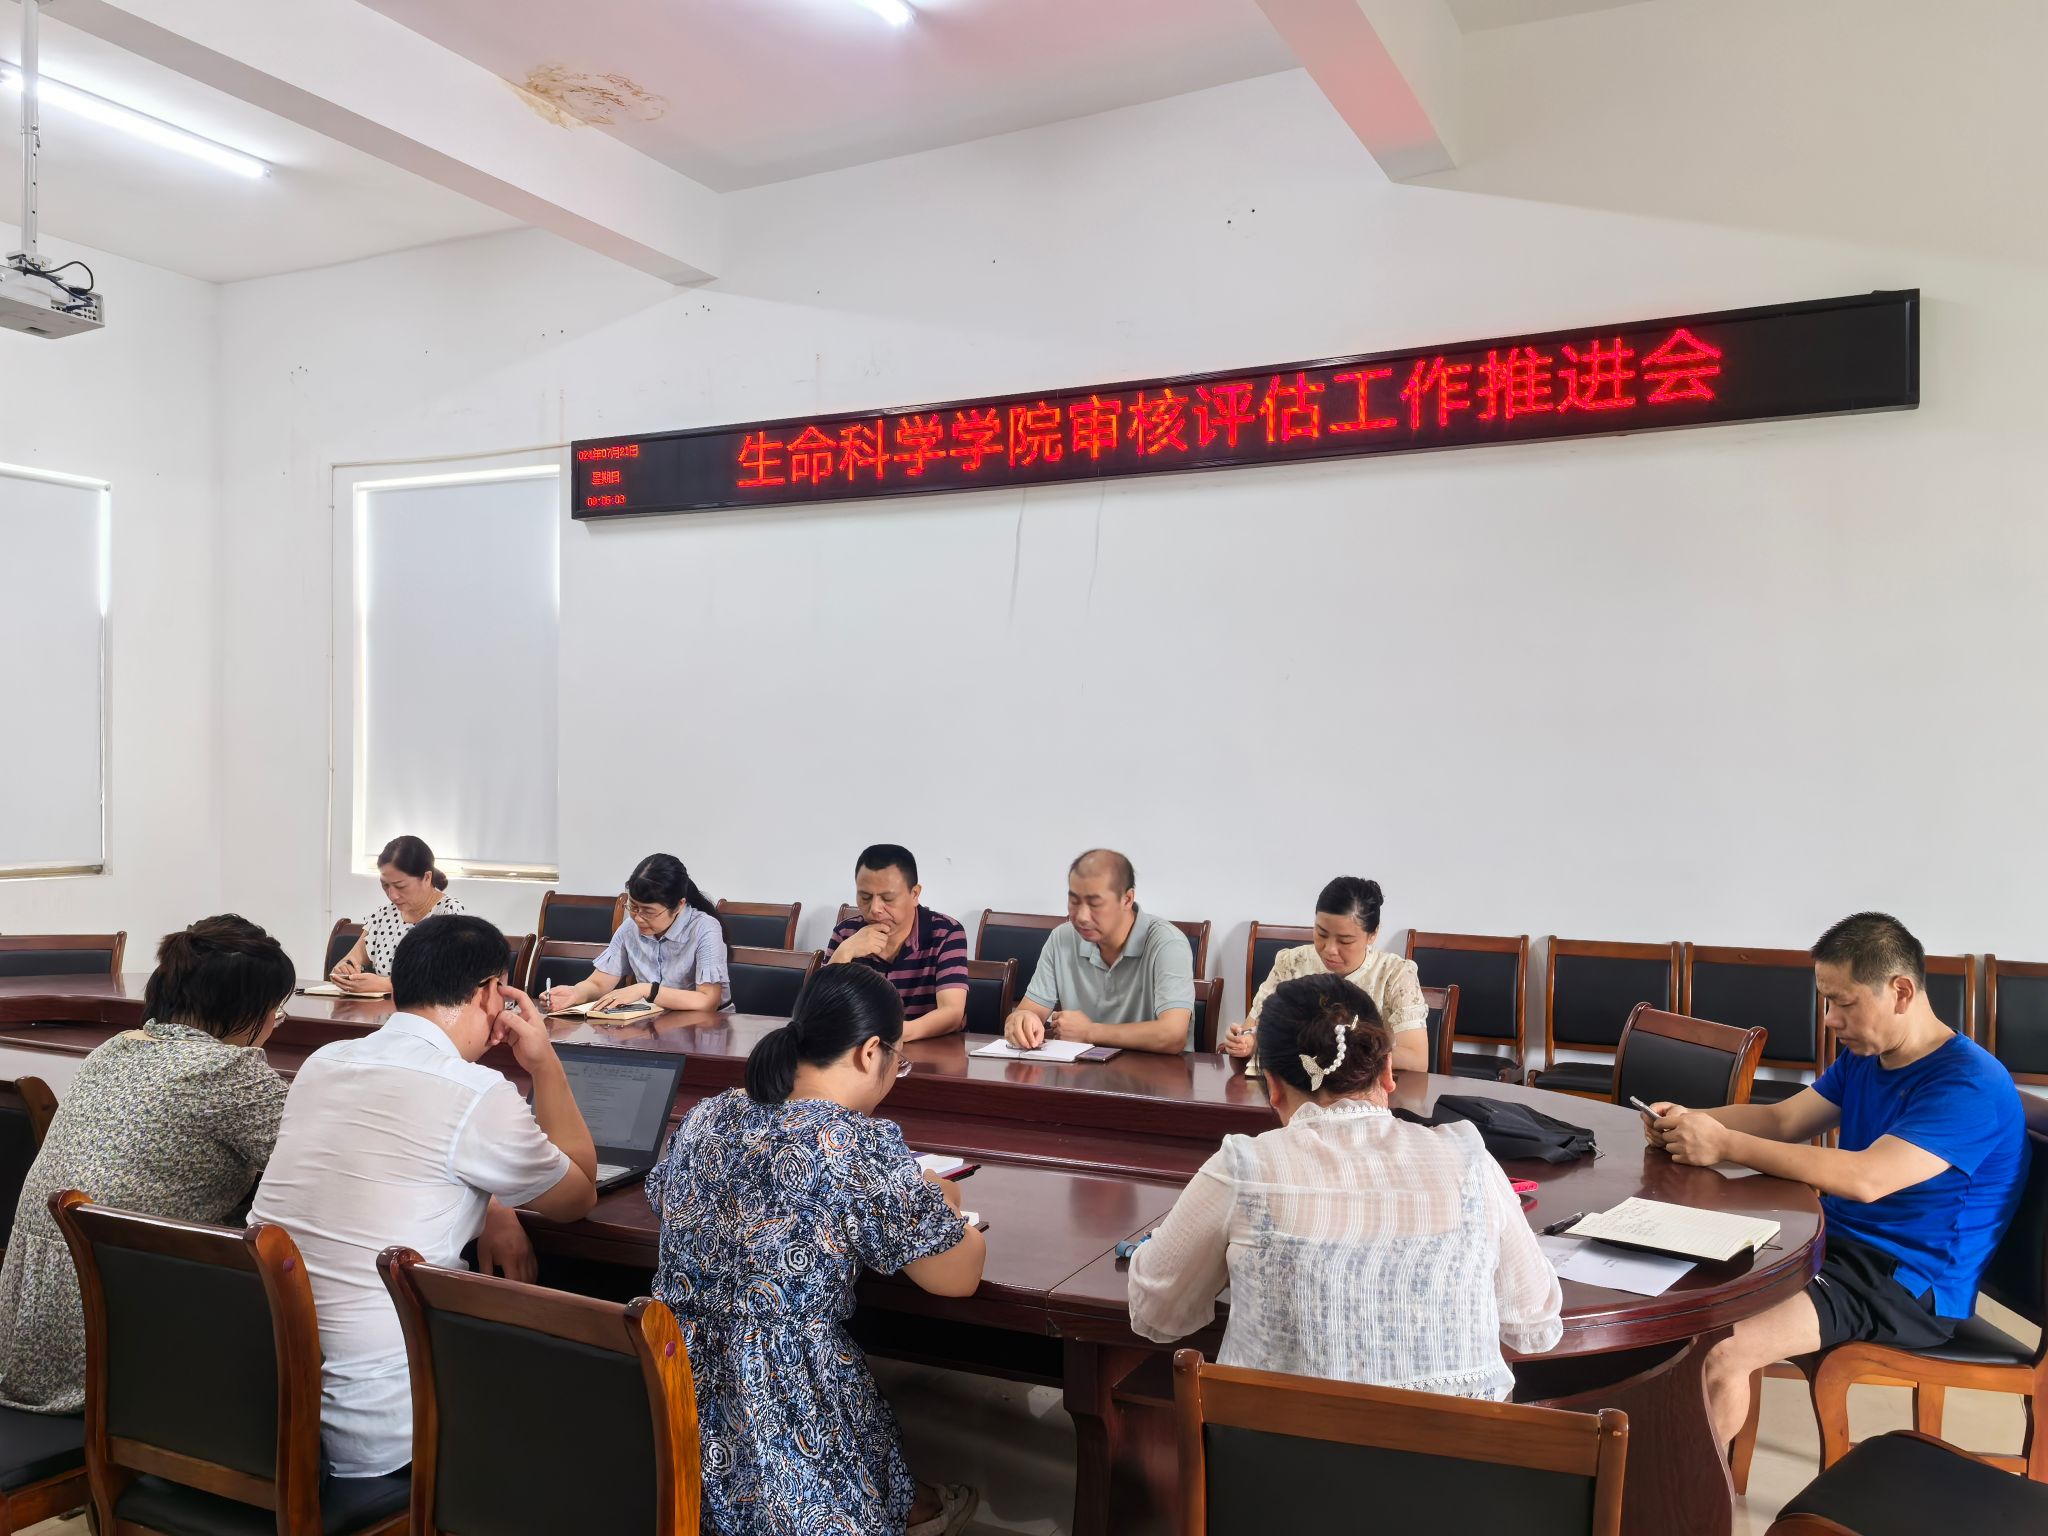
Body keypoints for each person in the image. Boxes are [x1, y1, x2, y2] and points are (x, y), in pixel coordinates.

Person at [1645, 913, 2030, 1453]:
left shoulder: (1969, 1085)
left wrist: (1724, 1144)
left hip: (1904, 1283)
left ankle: (1685, 1498)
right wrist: (1691, 1120)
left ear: (1901, 991)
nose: (1830, 1019)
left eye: (1843, 1003)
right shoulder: (1867, 1057)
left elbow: (1868, 1178)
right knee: (1675, 1303)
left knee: (1719, 1351)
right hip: (1836, 1245)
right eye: (1826, 1002)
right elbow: (1783, 1119)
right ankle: (1643, 1469)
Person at [251, 914, 598, 1478]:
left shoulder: (323, 1063)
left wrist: (493, 1202)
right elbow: (578, 1196)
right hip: (386, 1431)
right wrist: (545, 1063)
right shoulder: (476, 1090)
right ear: (490, 993)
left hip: (263, 1409)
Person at [647, 965, 986, 1536]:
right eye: (898, 1061)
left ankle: (911, 1504)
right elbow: (958, 1276)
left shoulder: (709, 1114)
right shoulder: (851, 1143)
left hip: (670, 1390)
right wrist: (943, 1204)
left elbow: (662, 1195)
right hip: (781, 1406)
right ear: (870, 1052)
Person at [1128, 973, 1561, 1392]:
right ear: (1387, 1070)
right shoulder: (1469, 1158)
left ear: (1273, 1086)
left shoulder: (1244, 1167)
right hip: (1460, 1442)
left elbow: (1156, 1315)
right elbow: (1534, 1325)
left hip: (1276, 1443)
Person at [0, 916, 295, 1414]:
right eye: (275, 1010)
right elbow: (307, 1171)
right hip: (109, 1347)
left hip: (26, 1336)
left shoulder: (114, 1049)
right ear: (244, 1008)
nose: (273, 1024)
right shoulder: (228, 1071)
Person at [1222, 876, 1431, 1073]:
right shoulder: (1292, 963)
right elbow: (1253, 1029)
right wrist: (1246, 1042)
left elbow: (1416, 1059)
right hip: (1298, 1086)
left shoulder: (1395, 974)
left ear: (1373, 934)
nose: (1329, 949)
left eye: (1345, 941)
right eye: (1321, 934)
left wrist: (1336, 1050)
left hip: (1364, 1088)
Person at [1001, 849, 1195, 1055]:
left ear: (1127, 899)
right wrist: (1021, 1020)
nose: (1082, 917)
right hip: (1082, 1071)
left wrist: (1090, 1032)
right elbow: (1029, 1010)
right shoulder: (1062, 938)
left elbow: (1173, 1035)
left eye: (1095, 904)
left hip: (1155, 1071)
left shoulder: (1167, 943)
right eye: (1074, 901)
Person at [539, 853, 730, 1016]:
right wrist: (575, 993)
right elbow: (599, 983)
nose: (638, 918)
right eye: (633, 906)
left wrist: (646, 990)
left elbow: (707, 1001)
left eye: (648, 911)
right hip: (655, 1024)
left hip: (706, 1028)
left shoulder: (705, 928)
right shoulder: (630, 928)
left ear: (679, 905)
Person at [822, 844, 970, 1040]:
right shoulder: (846, 934)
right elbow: (818, 1010)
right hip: (861, 1050)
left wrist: (892, 1034)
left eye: (887, 898)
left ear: (915, 894)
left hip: (929, 1048)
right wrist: (844, 953)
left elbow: (952, 1013)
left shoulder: (946, 933)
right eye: (865, 897)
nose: (875, 908)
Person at [329, 834, 465, 995]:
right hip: (378, 1009)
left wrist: (387, 985)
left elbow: (447, 980)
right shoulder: (383, 916)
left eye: (400, 886)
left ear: (427, 877)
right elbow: (350, 960)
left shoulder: (449, 913)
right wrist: (344, 970)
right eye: (385, 885)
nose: (392, 895)